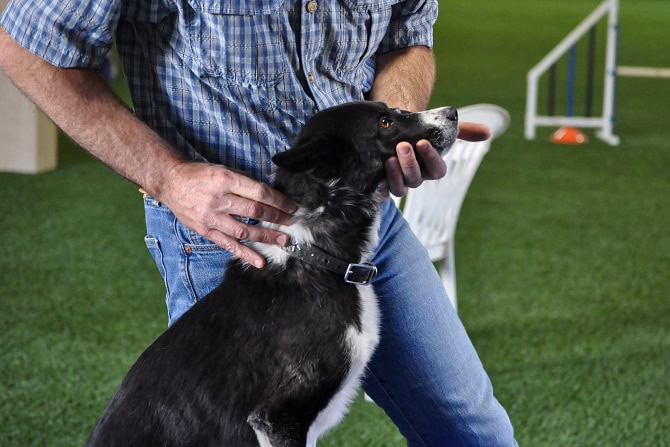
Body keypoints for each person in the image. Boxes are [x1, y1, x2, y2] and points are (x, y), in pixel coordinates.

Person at [0, 0, 517, 444]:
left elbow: (408, 35)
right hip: (232, 239)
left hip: (366, 226)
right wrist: (166, 175)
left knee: (472, 431)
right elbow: (26, 45)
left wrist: (391, 132)